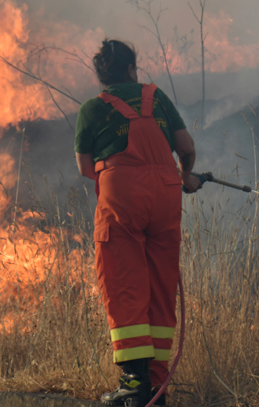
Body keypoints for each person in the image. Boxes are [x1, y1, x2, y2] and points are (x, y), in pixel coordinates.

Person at [74, 39, 201, 407]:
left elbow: (85, 168)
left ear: (101, 77)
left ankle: (134, 384)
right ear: (131, 69)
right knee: (162, 285)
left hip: (123, 197)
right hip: (166, 194)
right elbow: (187, 148)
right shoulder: (156, 97)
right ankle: (158, 386)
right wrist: (185, 175)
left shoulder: (91, 109)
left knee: (124, 280)